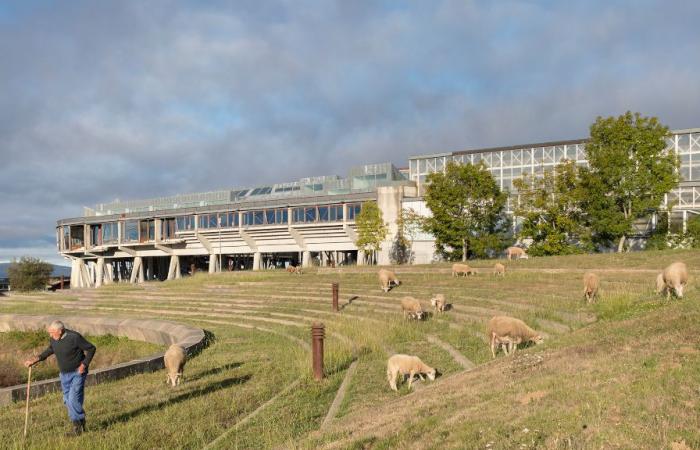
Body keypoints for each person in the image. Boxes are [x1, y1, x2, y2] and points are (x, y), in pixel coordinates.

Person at [24, 320, 96, 436]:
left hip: (78, 372)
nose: (50, 336)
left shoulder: (74, 337)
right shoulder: (54, 338)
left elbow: (92, 348)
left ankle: (77, 427)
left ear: (60, 331)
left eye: (52, 333)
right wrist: (36, 359)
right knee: (67, 400)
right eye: (50, 333)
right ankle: (81, 422)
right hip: (64, 374)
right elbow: (50, 349)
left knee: (73, 399)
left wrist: (84, 364)